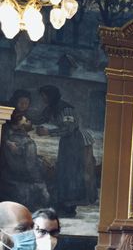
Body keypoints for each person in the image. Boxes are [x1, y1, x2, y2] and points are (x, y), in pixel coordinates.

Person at [35, 85, 97, 217]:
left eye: (44, 96)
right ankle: (62, 202)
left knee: (73, 172)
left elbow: (69, 128)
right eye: (42, 96)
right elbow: (40, 118)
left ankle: (70, 205)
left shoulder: (65, 108)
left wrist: (48, 132)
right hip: (67, 142)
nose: (43, 99)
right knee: (63, 170)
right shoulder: (51, 107)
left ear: (51, 95)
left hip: (77, 141)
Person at [0, 90, 50, 208]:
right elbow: (4, 133)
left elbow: (27, 129)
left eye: (26, 103)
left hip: (22, 152)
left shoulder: (25, 116)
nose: (23, 105)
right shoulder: (8, 115)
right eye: (21, 102)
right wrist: (8, 143)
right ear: (16, 102)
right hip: (8, 152)